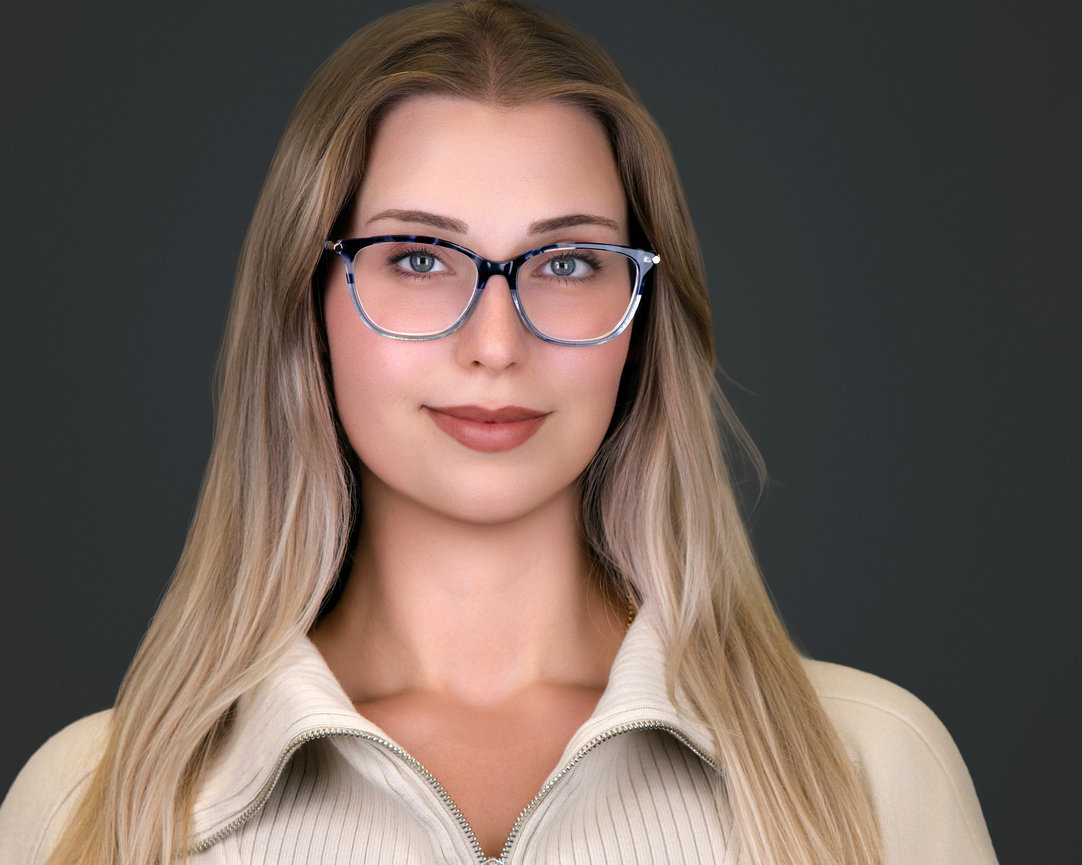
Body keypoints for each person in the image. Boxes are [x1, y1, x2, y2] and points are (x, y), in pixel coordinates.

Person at [0, 2, 998, 863]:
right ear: (308, 303)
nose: (494, 344)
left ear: (640, 321)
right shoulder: (86, 802)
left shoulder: (873, 766)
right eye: (416, 256)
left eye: (566, 264)